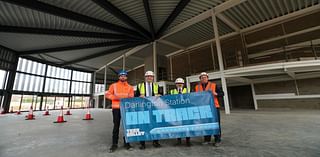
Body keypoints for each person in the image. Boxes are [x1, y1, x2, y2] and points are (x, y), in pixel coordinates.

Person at [105, 70, 134, 153]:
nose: (123, 77)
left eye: (124, 76)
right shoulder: (113, 86)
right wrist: (115, 98)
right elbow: (107, 94)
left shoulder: (130, 87)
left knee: (126, 127)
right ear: (119, 77)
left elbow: (131, 96)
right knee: (116, 126)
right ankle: (114, 144)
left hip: (126, 109)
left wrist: (127, 97)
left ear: (126, 77)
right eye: (121, 76)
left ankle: (127, 143)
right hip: (116, 109)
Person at [195, 72, 223, 147]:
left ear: (207, 78)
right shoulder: (197, 87)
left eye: (205, 77)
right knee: (206, 124)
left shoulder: (214, 85)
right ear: (200, 79)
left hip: (214, 107)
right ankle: (207, 139)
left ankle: (217, 140)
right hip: (203, 108)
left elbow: (222, 93)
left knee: (216, 124)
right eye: (202, 77)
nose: (203, 78)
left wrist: (216, 93)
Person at [135, 71, 162, 149]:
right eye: (148, 76)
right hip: (143, 108)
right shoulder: (140, 86)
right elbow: (135, 96)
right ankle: (142, 143)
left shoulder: (157, 85)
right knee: (143, 125)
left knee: (155, 124)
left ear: (153, 77)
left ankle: (156, 141)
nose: (149, 77)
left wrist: (160, 95)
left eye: (151, 76)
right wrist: (139, 96)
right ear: (145, 77)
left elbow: (162, 95)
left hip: (154, 108)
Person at [169, 78, 191, 147]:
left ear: (183, 84)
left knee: (187, 125)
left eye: (181, 83)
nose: (179, 85)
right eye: (178, 83)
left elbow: (192, 99)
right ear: (175, 84)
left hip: (185, 111)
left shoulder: (187, 90)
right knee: (178, 126)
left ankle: (188, 141)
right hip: (176, 111)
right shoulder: (171, 92)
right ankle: (179, 141)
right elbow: (167, 100)